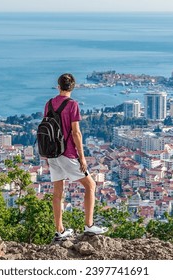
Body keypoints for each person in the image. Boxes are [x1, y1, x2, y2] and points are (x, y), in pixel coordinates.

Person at [43, 73, 108, 241]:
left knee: (58, 192)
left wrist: (45, 154)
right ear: (73, 87)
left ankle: (60, 230)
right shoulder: (72, 105)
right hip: (68, 153)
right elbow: (76, 132)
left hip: (52, 154)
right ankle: (89, 225)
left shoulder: (49, 104)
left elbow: (45, 129)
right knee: (90, 185)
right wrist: (82, 157)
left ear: (58, 86)